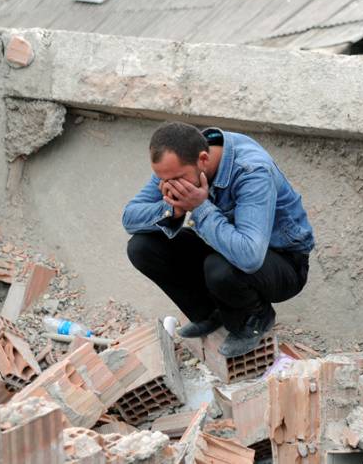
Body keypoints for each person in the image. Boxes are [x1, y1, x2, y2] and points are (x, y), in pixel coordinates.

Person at [124, 122, 315, 358]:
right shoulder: (179, 162)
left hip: (282, 263)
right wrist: (172, 210)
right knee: (142, 248)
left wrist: (199, 207)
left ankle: (255, 319)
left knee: (219, 268)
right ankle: (209, 314)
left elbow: (250, 256)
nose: (171, 186)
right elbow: (129, 218)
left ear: (203, 159)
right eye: (163, 179)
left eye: (177, 179)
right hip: (224, 244)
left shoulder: (251, 171)